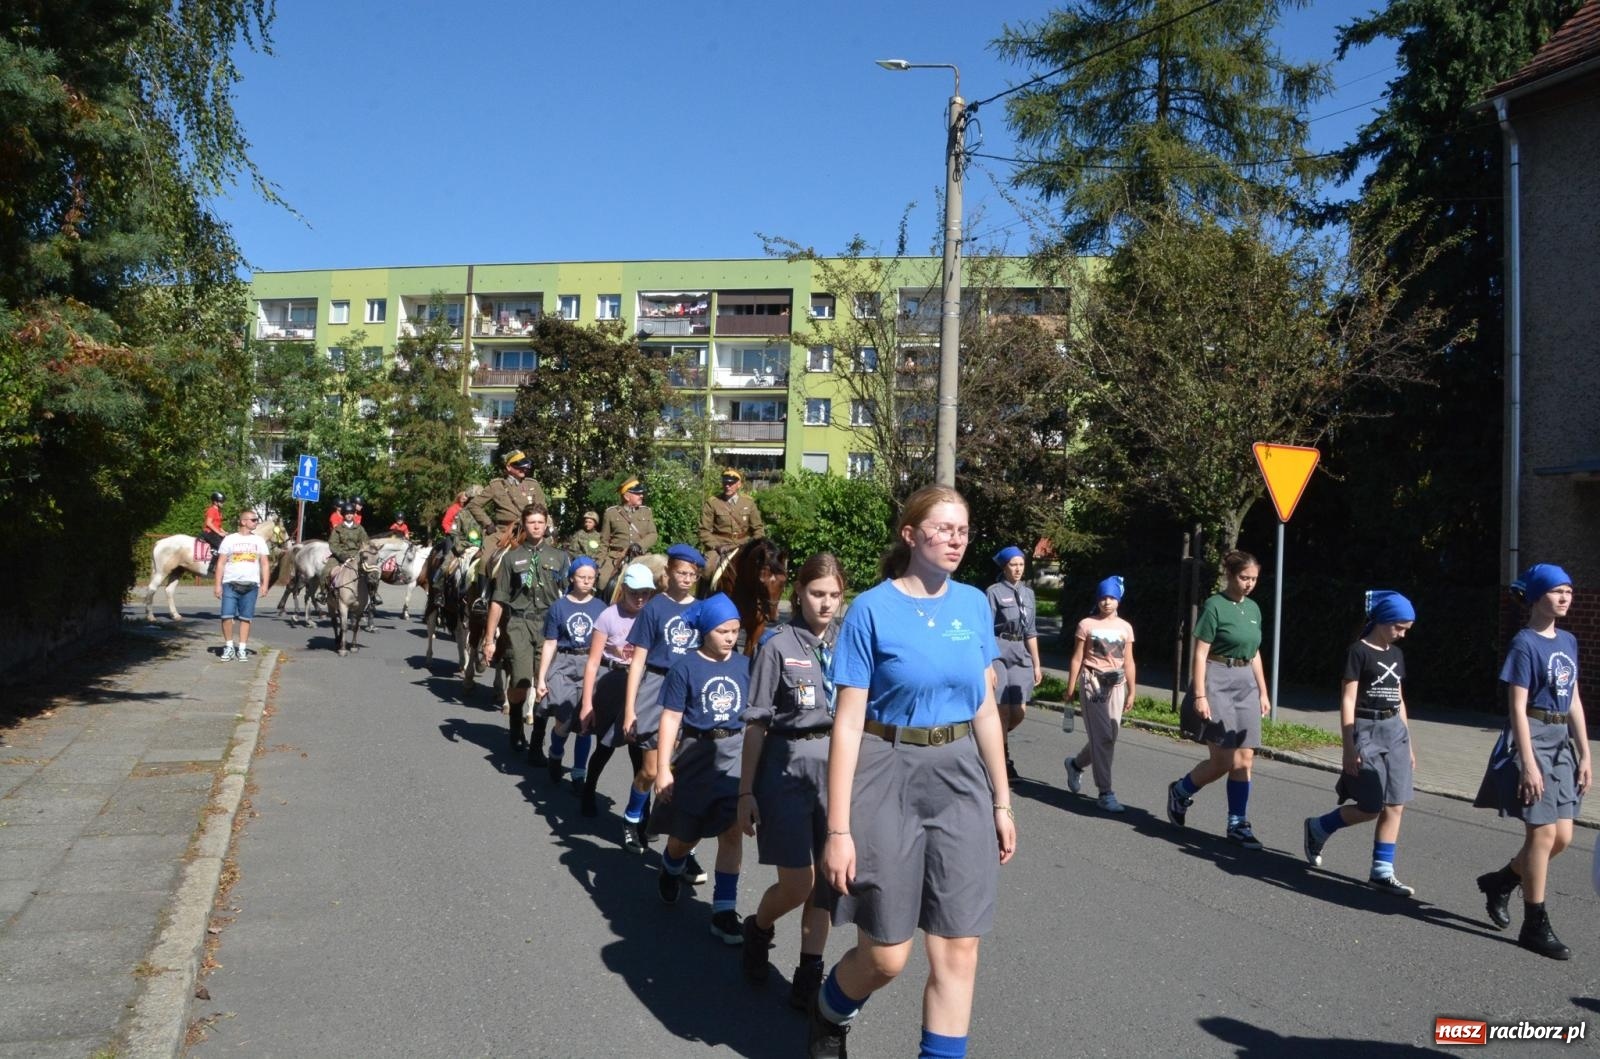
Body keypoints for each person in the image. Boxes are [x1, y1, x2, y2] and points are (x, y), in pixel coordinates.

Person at [809, 485, 1016, 1059]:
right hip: (886, 770)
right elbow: (847, 725)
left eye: (964, 530)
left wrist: (1002, 801)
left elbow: (982, 707)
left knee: (958, 948)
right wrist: (838, 830)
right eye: (944, 528)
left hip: (960, 779)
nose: (957, 539)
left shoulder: (975, 603)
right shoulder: (872, 609)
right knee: (887, 956)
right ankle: (828, 1012)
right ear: (910, 535)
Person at [739, 553, 844, 1006]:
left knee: (827, 882)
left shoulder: (850, 643)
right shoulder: (777, 645)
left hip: (838, 772)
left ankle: (808, 974)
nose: (825, 604)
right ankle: (759, 928)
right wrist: (746, 790)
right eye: (817, 593)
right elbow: (757, 722)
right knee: (798, 883)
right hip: (787, 767)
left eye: (834, 595)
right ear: (798, 592)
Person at [1473, 564, 1591, 959]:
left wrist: (1586, 752)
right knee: (1540, 835)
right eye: (1557, 591)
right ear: (1538, 596)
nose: (1565, 598)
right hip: (1534, 739)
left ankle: (1503, 880)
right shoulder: (1524, 643)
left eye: (1569, 592)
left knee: (1563, 838)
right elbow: (1517, 708)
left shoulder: (1569, 641)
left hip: (1561, 744)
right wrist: (1527, 761)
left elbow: (1572, 698)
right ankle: (1534, 923)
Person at [1302, 591, 1418, 895]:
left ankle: (1381, 872)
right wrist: (1348, 747)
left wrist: (1409, 742)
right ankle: (1320, 826)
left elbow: (1400, 698)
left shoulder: (1396, 654)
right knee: (1370, 806)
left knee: (1396, 804)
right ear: (1383, 620)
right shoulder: (1358, 652)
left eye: (1407, 629)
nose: (1403, 635)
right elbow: (1348, 699)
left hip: (1395, 730)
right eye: (1400, 627)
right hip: (1366, 728)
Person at [653, 593, 750, 943]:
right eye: (723, 630)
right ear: (705, 630)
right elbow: (671, 718)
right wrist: (664, 767)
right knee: (685, 836)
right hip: (697, 755)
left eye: (735, 631)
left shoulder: (745, 665)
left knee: (732, 829)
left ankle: (723, 909)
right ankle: (671, 864)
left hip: (736, 753)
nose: (730, 637)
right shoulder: (685, 667)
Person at [1165, 550, 1272, 849]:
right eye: (1244, 577)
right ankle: (1181, 791)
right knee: (1224, 759)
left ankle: (1237, 823)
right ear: (1230, 575)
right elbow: (1199, 654)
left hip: (1246, 682)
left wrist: (1263, 691)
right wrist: (1200, 694)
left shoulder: (1253, 609)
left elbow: (1255, 652)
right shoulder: (1215, 606)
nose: (1249, 584)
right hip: (1218, 678)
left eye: (1254, 579)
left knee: (1245, 758)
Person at [620, 544, 704, 856]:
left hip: (688, 691)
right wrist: (629, 708)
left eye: (692, 574)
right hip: (655, 687)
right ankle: (631, 819)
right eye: (681, 572)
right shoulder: (654, 608)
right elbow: (638, 661)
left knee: (678, 770)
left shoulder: (702, 610)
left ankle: (666, 829)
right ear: (667, 573)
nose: (686, 578)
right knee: (652, 770)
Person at [482, 503, 568, 754]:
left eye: (541, 522)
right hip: (519, 623)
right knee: (520, 682)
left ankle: (537, 744)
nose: (537, 526)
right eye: (532, 522)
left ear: (547, 523)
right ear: (524, 525)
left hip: (549, 625)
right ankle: (516, 731)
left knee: (544, 686)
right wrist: (489, 640)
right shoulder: (511, 558)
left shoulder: (559, 557)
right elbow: (498, 600)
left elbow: (570, 596)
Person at [577, 562, 657, 818]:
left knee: (640, 753)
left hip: (641, 688)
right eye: (635, 592)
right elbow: (592, 661)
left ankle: (642, 811)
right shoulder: (608, 616)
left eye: (646, 592)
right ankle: (589, 790)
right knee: (605, 746)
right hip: (613, 683)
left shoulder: (653, 616)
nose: (641, 598)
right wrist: (587, 703)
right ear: (623, 589)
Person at [1064, 576, 1136, 813]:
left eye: (1112, 597)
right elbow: (1077, 657)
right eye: (1103, 597)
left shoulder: (1125, 628)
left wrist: (1132, 690)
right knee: (1103, 737)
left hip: (1117, 684)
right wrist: (1070, 686)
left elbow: (1129, 661)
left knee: (1108, 737)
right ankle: (1105, 792)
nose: (1107, 602)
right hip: (1092, 682)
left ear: (1119, 599)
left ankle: (1075, 765)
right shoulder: (1087, 624)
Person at [534, 556, 607, 783]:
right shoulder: (559, 606)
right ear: (572, 578)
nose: (586, 581)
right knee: (563, 720)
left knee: (586, 722)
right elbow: (550, 643)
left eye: (590, 578)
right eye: (581, 577)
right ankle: (556, 751)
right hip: (565, 663)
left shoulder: (601, 608)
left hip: (590, 663)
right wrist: (541, 678)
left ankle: (578, 772)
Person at [986, 546, 1042, 780]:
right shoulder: (994, 591)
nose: (1018, 569)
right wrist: (987, 663)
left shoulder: (1028, 594)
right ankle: (1004, 758)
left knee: (1019, 711)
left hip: (1021, 652)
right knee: (1003, 709)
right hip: (999, 650)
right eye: (1013, 564)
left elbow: (1031, 631)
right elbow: (985, 629)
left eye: (1021, 564)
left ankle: (990, 737)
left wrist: (1037, 664)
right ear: (1004, 567)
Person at [469, 450, 549, 598]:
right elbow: (474, 505)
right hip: (503, 532)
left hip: (531, 531)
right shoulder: (496, 486)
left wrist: (548, 526)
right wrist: (488, 524)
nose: (524, 469)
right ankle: (482, 599)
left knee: (553, 556)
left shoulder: (533, 485)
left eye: (525, 466)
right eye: (519, 466)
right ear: (508, 467)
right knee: (486, 559)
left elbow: (544, 510)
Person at [214, 510, 271, 661]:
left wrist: (265, 584)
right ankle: (229, 647)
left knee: (246, 618)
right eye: (253, 520)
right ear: (243, 521)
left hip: (251, 585)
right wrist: (218, 585)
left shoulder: (259, 541)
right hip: (230, 583)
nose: (256, 522)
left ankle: (242, 648)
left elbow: (265, 564)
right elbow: (221, 563)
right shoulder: (229, 539)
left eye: (256, 520)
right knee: (226, 616)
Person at [699, 468, 766, 577]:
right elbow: (704, 531)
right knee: (707, 568)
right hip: (720, 546)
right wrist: (716, 546)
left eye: (731, 483)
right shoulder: (712, 503)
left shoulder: (748, 503)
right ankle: (704, 593)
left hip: (744, 544)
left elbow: (758, 529)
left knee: (763, 568)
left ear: (739, 484)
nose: (727, 486)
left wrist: (753, 544)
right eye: (725, 482)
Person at [598, 478, 658, 588]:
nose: (641, 496)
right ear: (626, 496)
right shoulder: (611, 513)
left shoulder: (646, 511)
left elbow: (653, 534)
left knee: (659, 579)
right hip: (616, 557)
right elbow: (604, 541)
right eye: (637, 494)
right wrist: (599, 563)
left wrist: (639, 545)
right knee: (602, 581)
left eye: (641, 494)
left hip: (641, 556)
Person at [323, 502, 371, 589]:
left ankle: (373, 595)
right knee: (326, 571)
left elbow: (366, 542)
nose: (349, 515)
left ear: (353, 514)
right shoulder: (338, 528)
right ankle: (323, 593)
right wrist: (342, 555)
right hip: (340, 555)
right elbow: (333, 544)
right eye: (347, 513)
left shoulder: (359, 528)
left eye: (351, 513)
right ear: (343, 515)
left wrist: (362, 552)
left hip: (357, 555)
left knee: (371, 571)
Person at [200, 492, 226, 575]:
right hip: (208, 533)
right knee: (222, 547)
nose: (223, 503)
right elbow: (209, 523)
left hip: (215, 532)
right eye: (221, 502)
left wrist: (224, 532)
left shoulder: (219, 511)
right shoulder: (212, 510)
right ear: (215, 502)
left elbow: (218, 525)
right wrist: (219, 532)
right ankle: (211, 568)